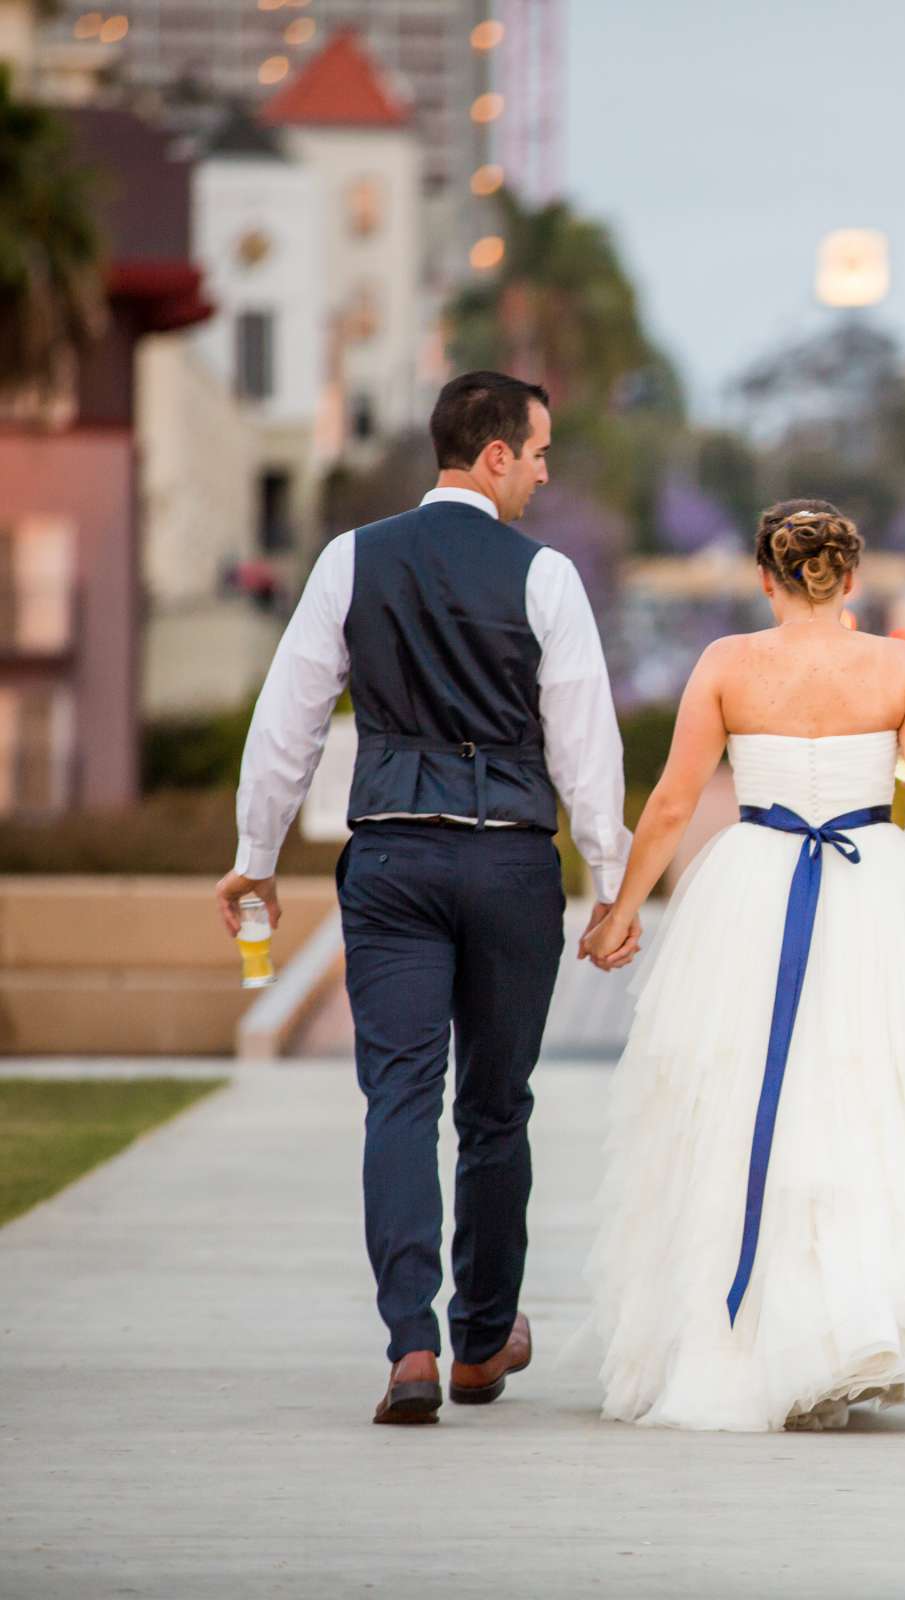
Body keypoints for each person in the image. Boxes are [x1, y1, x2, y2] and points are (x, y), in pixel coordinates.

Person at [213, 371, 634, 1425]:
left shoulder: (350, 559)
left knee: (398, 1099)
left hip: (393, 858)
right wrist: (612, 880)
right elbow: (585, 742)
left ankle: (411, 1340)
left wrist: (255, 853)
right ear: (493, 454)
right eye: (537, 451)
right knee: (496, 1107)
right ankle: (484, 1340)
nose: (543, 471)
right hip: (507, 865)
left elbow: (290, 718)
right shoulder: (546, 578)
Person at [577, 498, 905, 1432]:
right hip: (869, 891)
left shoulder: (727, 665)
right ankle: (845, 1333)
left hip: (752, 886)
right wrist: (894, 755)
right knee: (858, 1097)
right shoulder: (895, 665)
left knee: (732, 1096)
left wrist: (620, 911)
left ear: (764, 578)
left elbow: (676, 805)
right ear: (851, 580)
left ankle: (744, 1333)